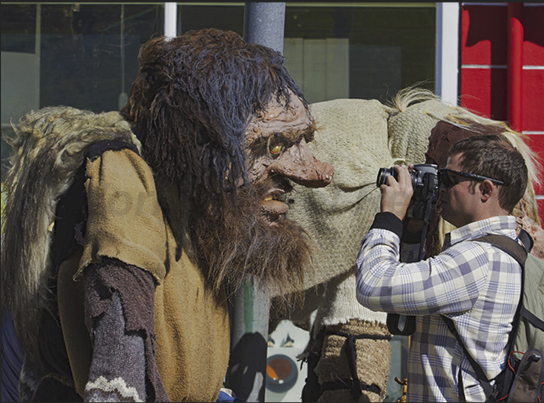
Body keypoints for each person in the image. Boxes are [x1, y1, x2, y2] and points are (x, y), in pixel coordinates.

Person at [1, 28, 333, 402]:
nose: (313, 174)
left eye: (303, 140)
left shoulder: (199, 223)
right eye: (274, 145)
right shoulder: (123, 186)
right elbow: (116, 383)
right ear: (199, 144)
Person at [356, 134, 528, 402]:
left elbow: (373, 284)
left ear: (485, 190)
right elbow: (407, 297)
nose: (441, 188)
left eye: (449, 179)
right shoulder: (502, 250)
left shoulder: (476, 259)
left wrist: (389, 217)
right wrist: (413, 229)